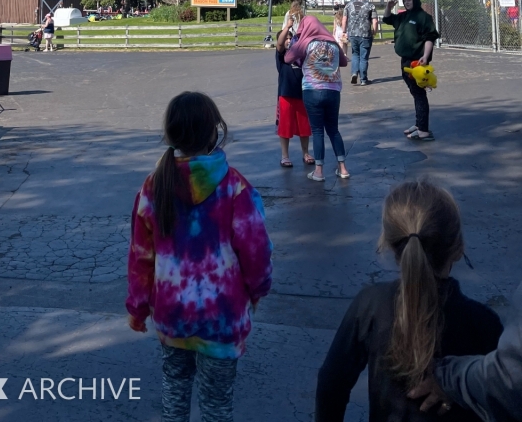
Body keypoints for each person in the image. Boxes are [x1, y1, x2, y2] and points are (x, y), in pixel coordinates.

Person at [126, 91, 272, 422]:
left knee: (174, 393)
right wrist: (258, 289)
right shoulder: (234, 187)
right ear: (214, 130)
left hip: (172, 315)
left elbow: (141, 257)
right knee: (217, 404)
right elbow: (255, 248)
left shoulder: (153, 187)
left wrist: (137, 308)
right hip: (221, 317)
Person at [315, 179, 503, 422]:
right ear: (458, 248)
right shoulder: (482, 323)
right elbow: (505, 395)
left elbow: (331, 385)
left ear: (391, 247)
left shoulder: (371, 305)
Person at [407, 278, 522, 421]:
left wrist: (448, 379)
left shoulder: (375, 303)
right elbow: (510, 376)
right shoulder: (484, 319)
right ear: (458, 254)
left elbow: (511, 378)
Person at [284, 15, 350, 181]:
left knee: (318, 131)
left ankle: (319, 171)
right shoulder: (333, 43)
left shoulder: (306, 42)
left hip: (312, 90)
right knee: (333, 130)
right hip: (333, 90)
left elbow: (287, 58)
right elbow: (343, 62)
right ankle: (343, 168)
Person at [383, 0, 440, 141]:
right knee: (415, 93)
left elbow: (430, 38)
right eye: (405, 0)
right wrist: (388, 6)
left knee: (419, 93)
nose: (407, 2)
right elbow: (388, 19)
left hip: (417, 61)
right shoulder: (403, 16)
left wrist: (426, 56)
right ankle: (419, 124)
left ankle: (423, 130)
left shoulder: (423, 17)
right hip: (405, 60)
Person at [275, 26, 314, 168]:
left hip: (302, 94)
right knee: (285, 127)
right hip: (285, 95)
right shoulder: (281, 55)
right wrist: (287, 26)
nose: (288, 40)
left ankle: (306, 153)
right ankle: (285, 156)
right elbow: (279, 44)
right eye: (286, 38)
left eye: (290, 38)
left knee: (304, 127)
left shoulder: (299, 56)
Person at [342, 0, 378, 85]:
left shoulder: (348, 5)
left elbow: (344, 19)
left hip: (353, 34)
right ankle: (363, 79)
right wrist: (374, 32)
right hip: (365, 34)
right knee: (364, 57)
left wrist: (344, 31)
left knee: (355, 55)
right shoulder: (371, 6)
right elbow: (375, 21)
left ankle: (354, 73)